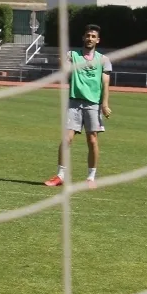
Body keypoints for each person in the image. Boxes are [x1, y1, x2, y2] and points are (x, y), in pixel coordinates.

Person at [44, 24, 112, 190]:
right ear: (83, 37)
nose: (90, 38)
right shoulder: (72, 55)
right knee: (66, 139)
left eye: (93, 36)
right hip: (74, 102)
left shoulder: (103, 60)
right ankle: (60, 176)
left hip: (93, 104)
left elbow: (105, 83)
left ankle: (91, 177)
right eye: (88, 35)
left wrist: (105, 104)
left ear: (98, 40)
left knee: (92, 140)